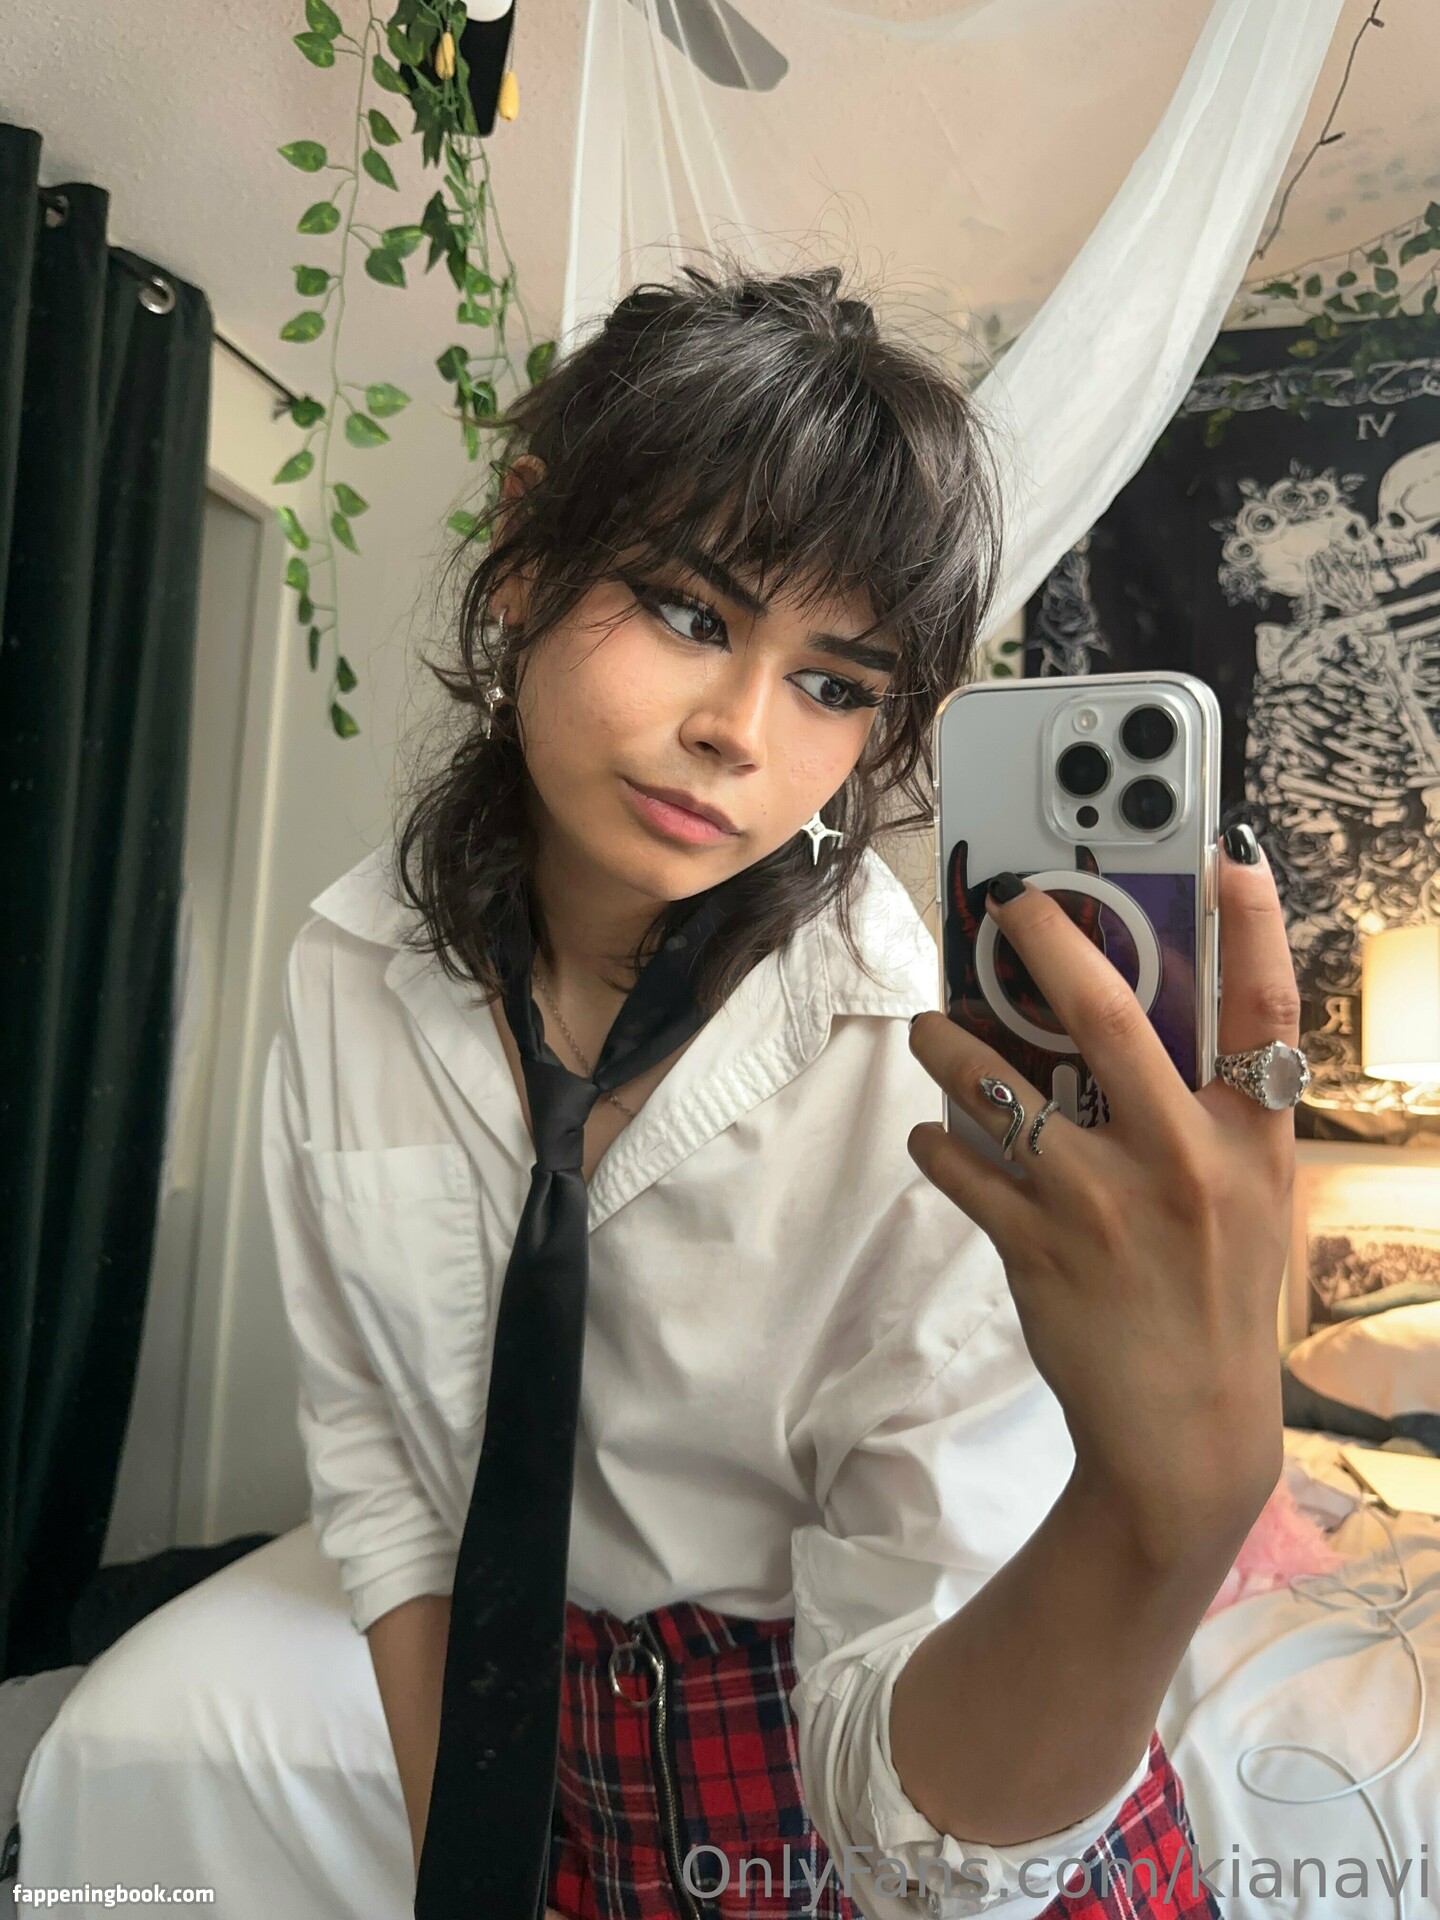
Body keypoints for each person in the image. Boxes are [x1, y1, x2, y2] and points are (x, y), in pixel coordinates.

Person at [261, 260, 1300, 1920]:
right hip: (551, 1794)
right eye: (690, 612)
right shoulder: (348, 966)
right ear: (523, 551)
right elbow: (382, 1467)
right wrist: (468, 1854)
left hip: (943, 1784)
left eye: (835, 683)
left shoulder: (922, 1077)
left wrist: (1161, 1516)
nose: (742, 731)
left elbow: (921, 1854)